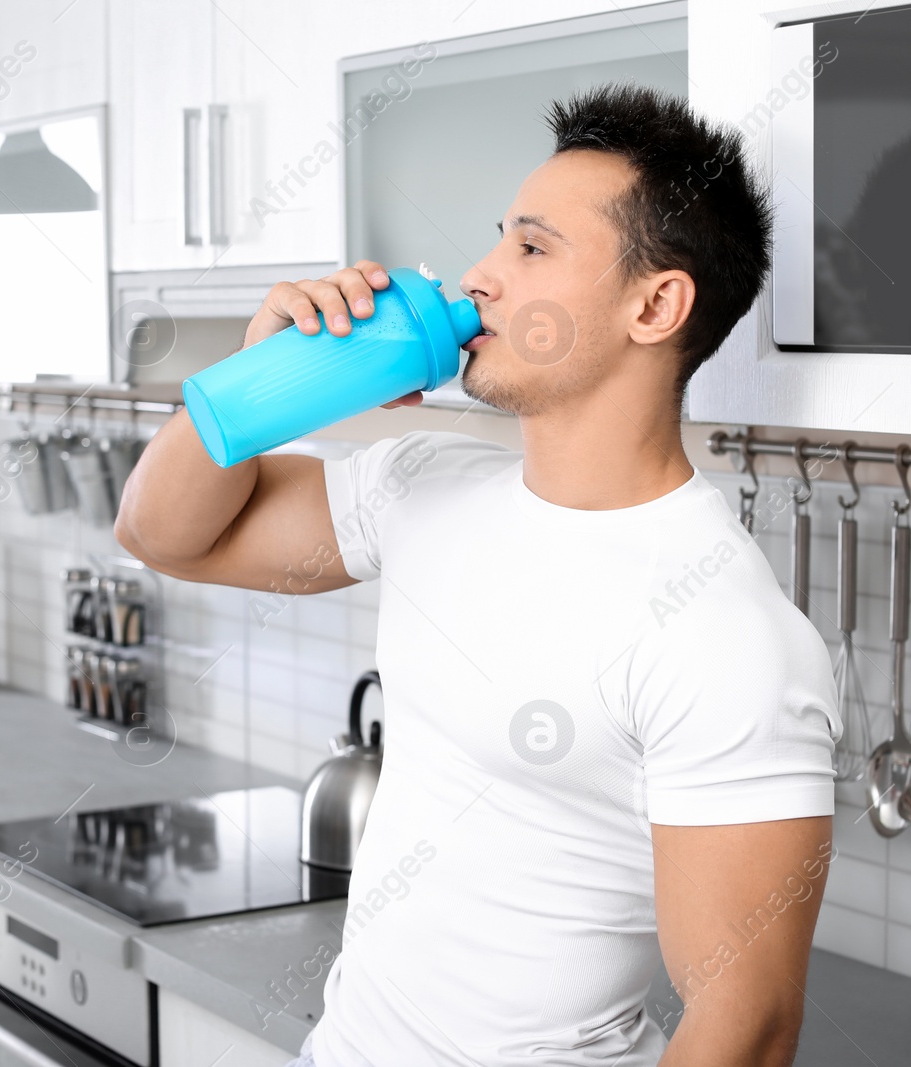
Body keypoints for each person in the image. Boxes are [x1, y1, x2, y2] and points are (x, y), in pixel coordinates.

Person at [115, 83, 840, 1067]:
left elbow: (745, 1026)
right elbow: (162, 532)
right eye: (499, 239)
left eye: (532, 249)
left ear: (655, 302)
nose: (480, 277)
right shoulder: (420, 483)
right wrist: (259, 377)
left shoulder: (725, 632)